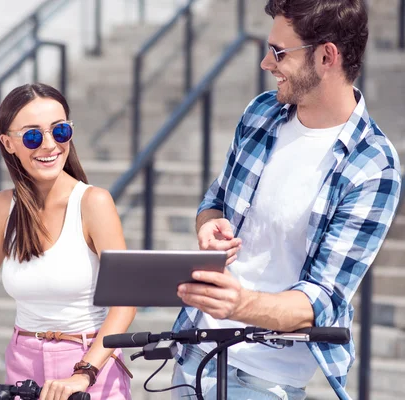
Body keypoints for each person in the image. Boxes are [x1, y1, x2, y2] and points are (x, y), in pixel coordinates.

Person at [171, 1, 401, 399]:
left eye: (278, 52)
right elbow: (215, 200)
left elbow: (321, 300)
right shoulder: (261, 113)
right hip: (191, 358)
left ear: (327, 56)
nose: (265, 63)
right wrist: (209, 224)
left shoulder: (373, 166)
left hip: (262, 384)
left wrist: (238, 304)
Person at [0, 83, 136, 400]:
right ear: (8, 143)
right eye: (32, 136)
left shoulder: (93, 203)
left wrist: (84, 373)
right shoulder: (3, 206)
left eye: (60, 131)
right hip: (23, 363)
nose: (49, 145)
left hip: (90, 364)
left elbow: (125, 302)